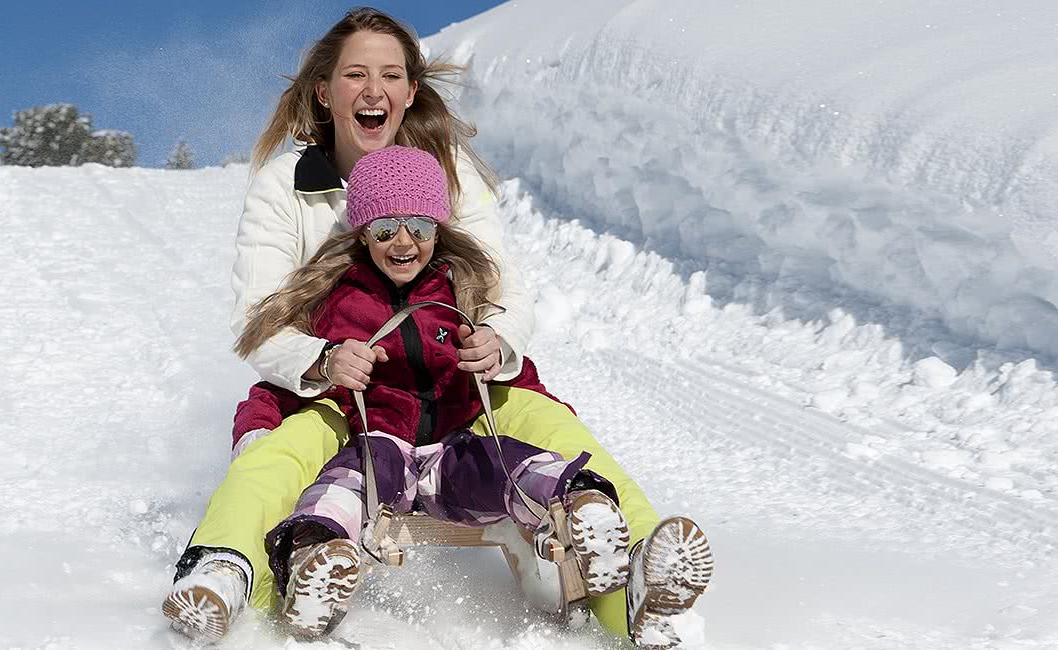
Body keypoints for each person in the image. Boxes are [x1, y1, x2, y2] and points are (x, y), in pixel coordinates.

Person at [161, 8, 712, 648]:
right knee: (273, 459)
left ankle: (636, 579)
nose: (374, 91)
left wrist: (498, 340)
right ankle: (224, 574)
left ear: (410, 91)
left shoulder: (447, 173)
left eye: (390, 75)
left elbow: (505, 286)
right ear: (324, 91)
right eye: (355, 75)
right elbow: (256, 316)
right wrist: (319, 361)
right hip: (341, 391)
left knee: (560, 435)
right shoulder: (288, 187)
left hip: (459, 383)